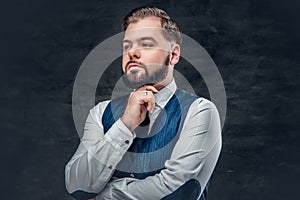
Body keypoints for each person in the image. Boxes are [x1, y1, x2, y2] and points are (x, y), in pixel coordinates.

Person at [65, 6, 222, 200]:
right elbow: (77, 186)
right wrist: (125, 125)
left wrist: (106, 195)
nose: (132, 53)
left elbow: (178, 192)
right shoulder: (101, 112)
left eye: (146, 44)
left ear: (173, 55)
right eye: (127, 46)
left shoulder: (199, 112)